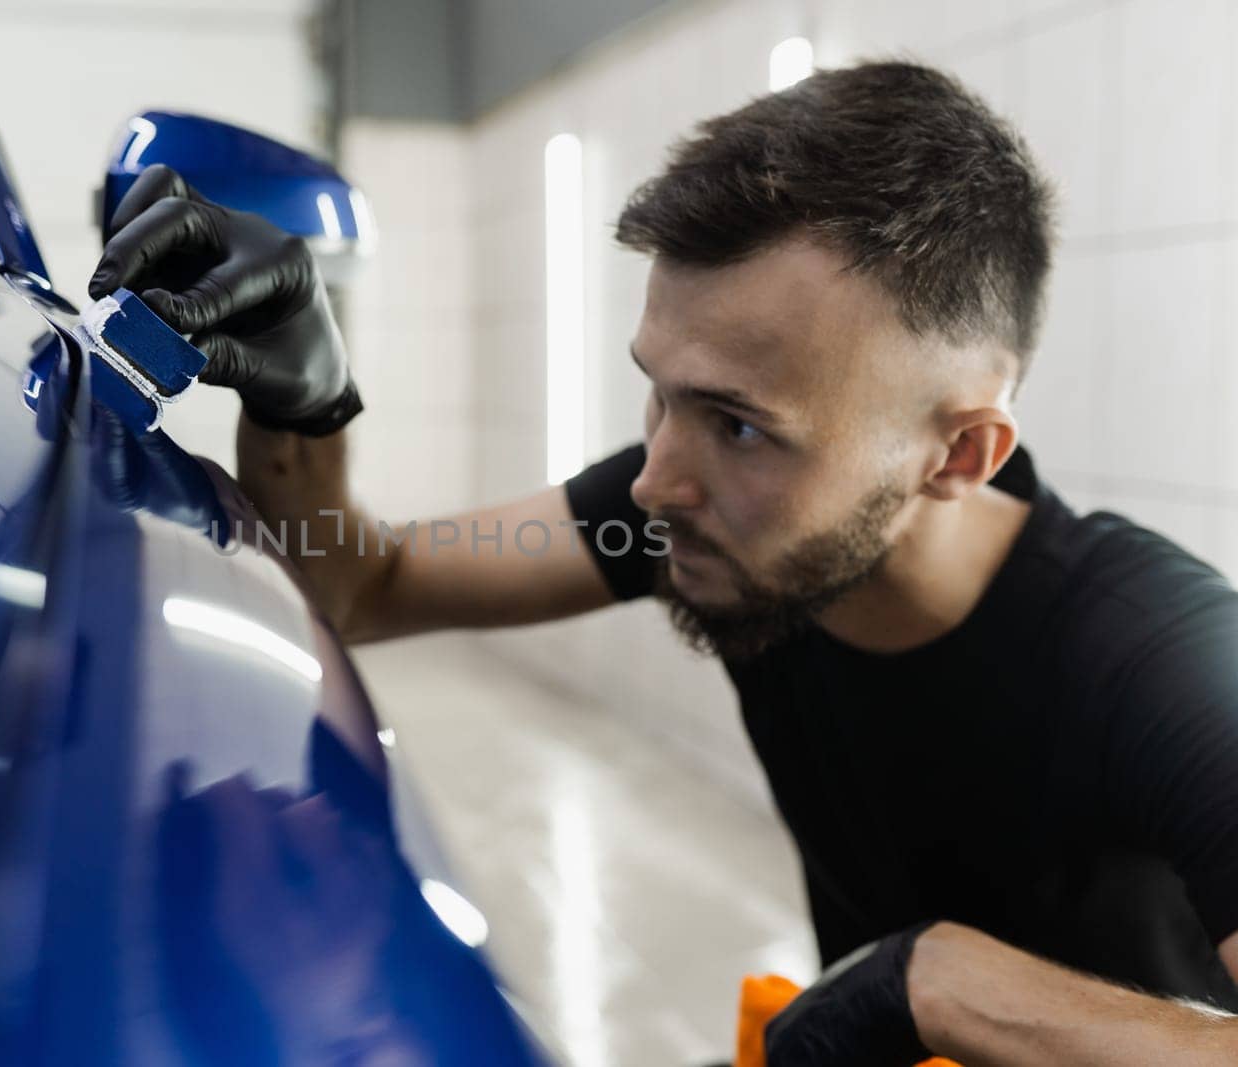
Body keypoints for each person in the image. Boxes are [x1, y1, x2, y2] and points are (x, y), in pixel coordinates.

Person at [88, 61, 1238, 1065]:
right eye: (661, 390)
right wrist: (308, 405)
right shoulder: (703, 513)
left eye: (739, 423)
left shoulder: (1166, 661)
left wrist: (934, 982)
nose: (651, 482)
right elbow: (360, 586)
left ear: (960, 451)